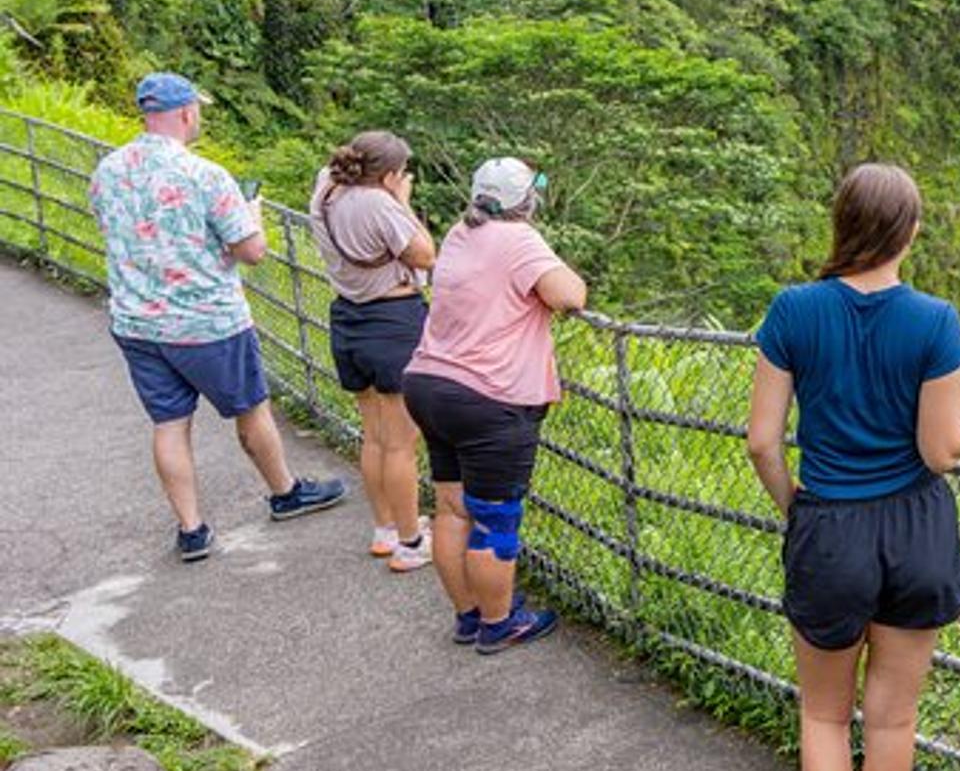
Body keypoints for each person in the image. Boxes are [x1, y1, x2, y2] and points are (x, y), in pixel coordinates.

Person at [746, 162, 960, 771]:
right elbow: (942, 449)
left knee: (824, 715)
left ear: (840, 222)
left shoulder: (793, 311)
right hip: (916, 533)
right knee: (892, 720)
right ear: (910, 232)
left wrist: (801, 509)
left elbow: (761, 440)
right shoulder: (934, 323)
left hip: (831, 527)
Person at [88, 72, 346, 560]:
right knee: (250, 409)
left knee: (169, 422)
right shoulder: (205, 175)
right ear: (186, 112)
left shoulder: (109, 170)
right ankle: (285, 491)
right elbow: (252, 251)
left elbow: (112, 228)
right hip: (207, 321)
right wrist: (252, 212)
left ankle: (192, 529)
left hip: (137, 320)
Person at [402, 157, 586, 655]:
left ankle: (470, 615)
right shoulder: (518, 238)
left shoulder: (462, 233)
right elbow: (570, 295)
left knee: (450, 508)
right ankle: (499, 623)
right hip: (488, 396)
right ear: (525, 201)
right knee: (494, 518)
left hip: (430, 382)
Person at [309, 131, 436, 571]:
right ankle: (410, 541)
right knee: (401, 443)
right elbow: (425, 255)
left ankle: (385, 529)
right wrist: (401, 201)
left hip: (347, 317)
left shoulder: (325, 186)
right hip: (391, 320)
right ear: (388, 175)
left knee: (374, 434)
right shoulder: (379, 204)